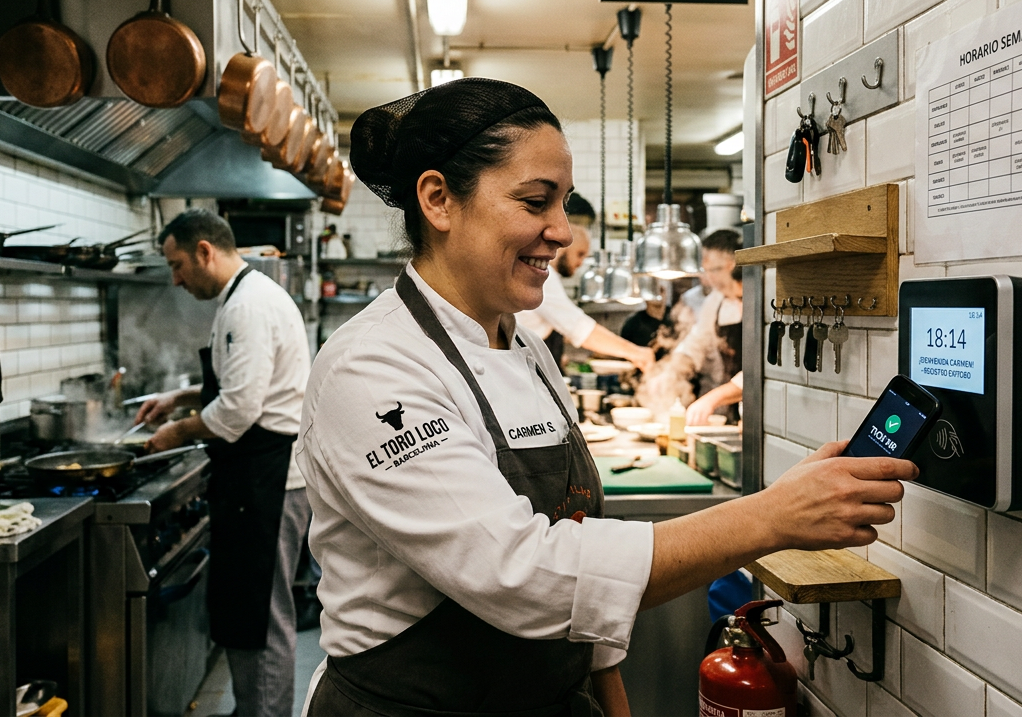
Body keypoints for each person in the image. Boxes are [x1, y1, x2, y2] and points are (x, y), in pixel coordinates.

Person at [294, 78, 916, 716]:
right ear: (438, 199)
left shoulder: (528, 350)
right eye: (536, 202)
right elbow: (525, 576)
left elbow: (576, 545)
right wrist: (769, 517)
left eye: (562, 204)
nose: (561, 232)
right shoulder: (371, 366)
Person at [136, 210, 312, 717]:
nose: (175, 278)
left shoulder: (247, 306)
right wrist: (181, 397)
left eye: (177, 265)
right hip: (263, 474)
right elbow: (240, 384)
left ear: (205, 251)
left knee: (259, 612)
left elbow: (237, 410)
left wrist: (176, 431)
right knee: (253, 608)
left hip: (269, 477)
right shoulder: (248, 296)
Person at [515, 194, 655, 371]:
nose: (581, 263)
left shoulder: (544, 275)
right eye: (580, 253)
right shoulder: (544, 277)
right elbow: (578, 328)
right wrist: (636, 353)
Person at [672, 229, 745, 426]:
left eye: (710, 269)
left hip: (755, 407)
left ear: (730, 266)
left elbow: (758, 370)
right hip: (726, 410)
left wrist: (713, 398)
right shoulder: (715, 300)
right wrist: (672, 371)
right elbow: (697, 342)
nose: (705, 277)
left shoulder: (758, 299)